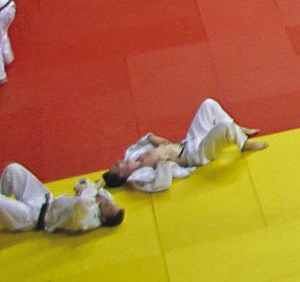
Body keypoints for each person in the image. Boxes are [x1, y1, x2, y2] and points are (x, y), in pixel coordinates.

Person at [105, 97, 268, 191]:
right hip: (195, 156)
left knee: (208, 104)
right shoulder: (140, 177)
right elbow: (162, 183)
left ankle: (237, 129)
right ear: (122, 176)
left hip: (188, 143)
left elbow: (163, 145)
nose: (118, 162)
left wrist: (152, 139)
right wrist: (162, 163)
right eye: (116, 167)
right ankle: (243, 144)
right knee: (224, 127)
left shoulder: (134, 155)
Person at [1, 165, 122, 234]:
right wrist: (83, 186)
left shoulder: (90, 221)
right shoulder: (103, 201)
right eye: (113, 204)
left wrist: (92, 190)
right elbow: (88, 183)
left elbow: (83, 201)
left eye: (111, 209)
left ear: (104, 218)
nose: (110, 204)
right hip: (43, 198)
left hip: (33, 218)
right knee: (13, 170)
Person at [0, 0, 12, 86]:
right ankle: (8, 57)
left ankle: (1, 76)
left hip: (1, 11)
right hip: (10, 5)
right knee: (2, 33)